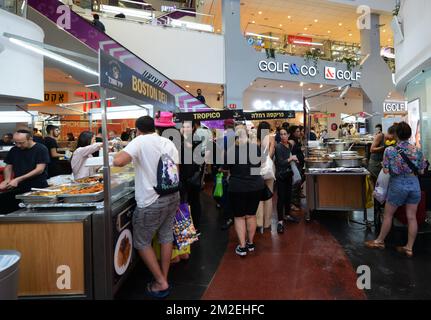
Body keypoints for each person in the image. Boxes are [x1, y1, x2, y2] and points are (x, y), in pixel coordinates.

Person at [113, 116, 180, 298]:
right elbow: (176, 169)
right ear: (155, 127)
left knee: (142, 242)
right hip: (172, 195)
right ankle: (164, 277)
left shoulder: (140, 140)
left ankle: (160, 281)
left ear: (137, 129)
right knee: (166, 236)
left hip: (151, 200)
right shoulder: (167, 142)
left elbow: (118, 161)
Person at [365, 122, 427, 258]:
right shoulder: (417, 150)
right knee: (412, 217)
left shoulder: (390, 150)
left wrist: (388, 166)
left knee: (388, 215)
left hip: (398, 185)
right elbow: (422, 170)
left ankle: (380, 241)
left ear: (396, 135)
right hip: (414, 185)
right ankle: (409, 248)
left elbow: (386, 170)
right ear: (410, 135)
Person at [224, 125, 265, 256]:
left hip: (237, 187)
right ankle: (251, 243)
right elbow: (259, 165)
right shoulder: (255, 148)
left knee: (240, 217)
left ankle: (242, 247)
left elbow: (225, 167)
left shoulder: (230, 150)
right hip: (256, 186)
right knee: (251, 215)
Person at [0, 130, 50, 214]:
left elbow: (39, 169)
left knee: (37, 213)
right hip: (19, 188)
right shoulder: (14, 150)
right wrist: (7, 179)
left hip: (37, 187)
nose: (18, 145)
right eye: (16, 142)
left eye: (21, 143)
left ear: (30, 138)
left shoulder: (41, 149)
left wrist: (18, 179)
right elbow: (9, 166)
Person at [180, 121, 203, 232]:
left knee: (194, 201)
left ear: (193, 128)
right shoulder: (180, 140)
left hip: (193, 176)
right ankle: (185, 228)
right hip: (183, 176)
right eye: (183, 126)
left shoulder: (196, 140)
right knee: (184, 202)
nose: (185, 128)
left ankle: (195, 226)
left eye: (188, 126)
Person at [274, 128, 299, 234]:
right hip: (281, 176)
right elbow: (280, 162)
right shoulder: (278, 147)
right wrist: (291, 159)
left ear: (288, 135)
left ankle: (287, 215)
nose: (283, 136)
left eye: (285, 134)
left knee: (288, 196)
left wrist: (295, 159)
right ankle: (280, 221)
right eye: (281, 134)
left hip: (289, 174)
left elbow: (292, 159)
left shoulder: (290, 145)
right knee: (281, 198)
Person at [256, 121, 275, 234]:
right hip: (268, 169)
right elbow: (271, 154)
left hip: (257, 169)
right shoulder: (271, 139)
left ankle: (258, 223)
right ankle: (267, 223)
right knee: (268, 195)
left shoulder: (255, 140)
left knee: (258, 196)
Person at [288, 125, 304, 218]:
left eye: (299, 131)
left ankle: (295, 202)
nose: (299, 133)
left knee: (298, 182)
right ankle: (292, 204)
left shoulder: (297, 140)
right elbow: (288, 152)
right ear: (293, 132)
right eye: (297, 131)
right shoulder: (292, 141)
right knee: (295, 184)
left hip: (299, 164)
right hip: (294, 164)